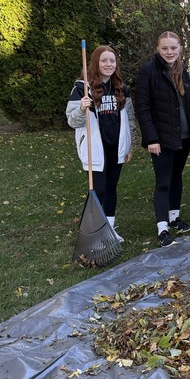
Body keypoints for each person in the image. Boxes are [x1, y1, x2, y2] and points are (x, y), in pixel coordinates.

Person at [134, 31, 190, 247]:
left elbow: (187, 107)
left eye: (173, 48)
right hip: (161, 138)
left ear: (180, 49)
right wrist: (151, 139)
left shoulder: (181, 71)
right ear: (158, 49)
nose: (169, 52)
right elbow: (142, 108)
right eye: (165, 48)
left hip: (183, 136)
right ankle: (162, 228)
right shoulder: (148, 71)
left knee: (177, 177)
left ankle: (174, 218)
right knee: (163, 182)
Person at [65, 45, 132, 240]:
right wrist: (81, 108)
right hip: (95, 149)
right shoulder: (81, 88)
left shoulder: (121, 87)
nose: (109, 64)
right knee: (98, 190)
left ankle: (109, 230)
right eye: (104, 60)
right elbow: (72, 121)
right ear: (95, 63)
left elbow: (130, 119)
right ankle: (92, 232)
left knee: (111, 188)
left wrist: (128, 145)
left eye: (112, 60)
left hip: (116, 148)